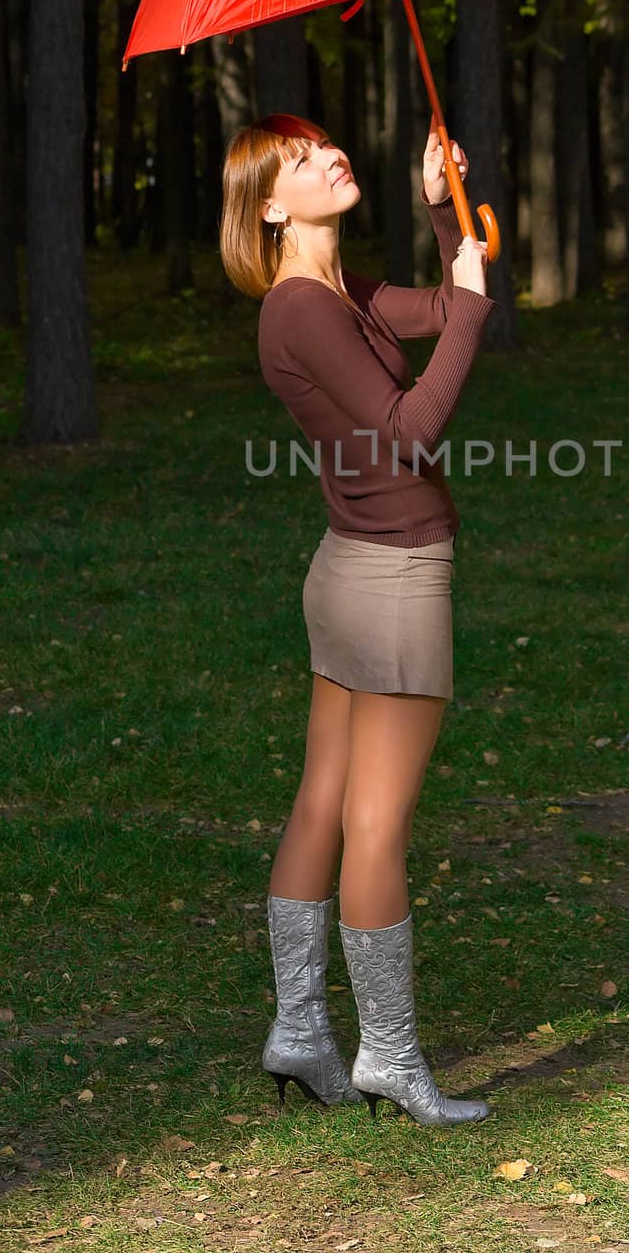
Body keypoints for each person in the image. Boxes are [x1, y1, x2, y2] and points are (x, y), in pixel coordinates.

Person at [219, 113, 496, 1127]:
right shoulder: (300, 311)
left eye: (323, 143)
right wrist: (468, 312)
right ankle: (388, 1054)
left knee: (324, 803)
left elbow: (427, 305)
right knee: (373, 824)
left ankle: (300, 1028)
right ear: (269, 208)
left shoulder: (335, 295)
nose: (327, 157)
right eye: (298, 160)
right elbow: (406, 430)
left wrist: (438, 209)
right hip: (389, 582)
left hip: (347, 571)